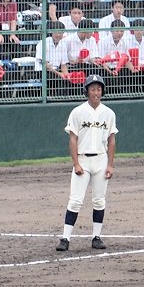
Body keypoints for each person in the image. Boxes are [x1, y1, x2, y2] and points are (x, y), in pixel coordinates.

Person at [56, 74, 118, 252]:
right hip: (82, 159)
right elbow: (73, 139)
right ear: (87, 91)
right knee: (75, 201)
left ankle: (96, 237)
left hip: (101, 159)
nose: (96, 92)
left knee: (99, 201)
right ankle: (65, 238)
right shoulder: (78, 112)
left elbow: (111, 140)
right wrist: (76, 163)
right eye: (93, 89)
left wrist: (110, 164)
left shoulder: (109, 113)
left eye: (99, 89)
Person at [35, 20, 71, 97]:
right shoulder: (43, 42)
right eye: (56, 32)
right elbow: (45, 64)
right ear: (51, 32)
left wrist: (67, 75)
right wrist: (59, 74)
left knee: (69, 80)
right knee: (58, 80)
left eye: (60, 32)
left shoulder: (63, 44)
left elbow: (63, 65)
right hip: (43, 71)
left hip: (55, 71)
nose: (58, 35)